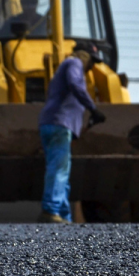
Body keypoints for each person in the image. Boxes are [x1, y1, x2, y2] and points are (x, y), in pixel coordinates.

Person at [37, 43, 107, 223]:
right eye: (92, 61)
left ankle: (63, 214)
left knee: (63, 170)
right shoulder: (73, 63)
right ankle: (50, 210)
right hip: (59, 124)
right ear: (84, 56)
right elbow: (75, 84)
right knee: (58, 168)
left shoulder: (66, 68)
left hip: (56, 124)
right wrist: (92, 108)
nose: (91, 66)